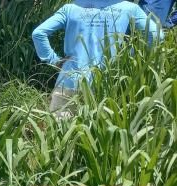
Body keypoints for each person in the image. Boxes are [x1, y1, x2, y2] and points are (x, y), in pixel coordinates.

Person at [32, 0, 163, 116]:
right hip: (106, 82)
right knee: (97, 137)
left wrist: (54, 60)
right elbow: (157, 36)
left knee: (59, 132)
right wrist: (129, 57)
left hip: (69, 79)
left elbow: (38, 33)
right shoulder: (129, 8)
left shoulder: (70, 8)